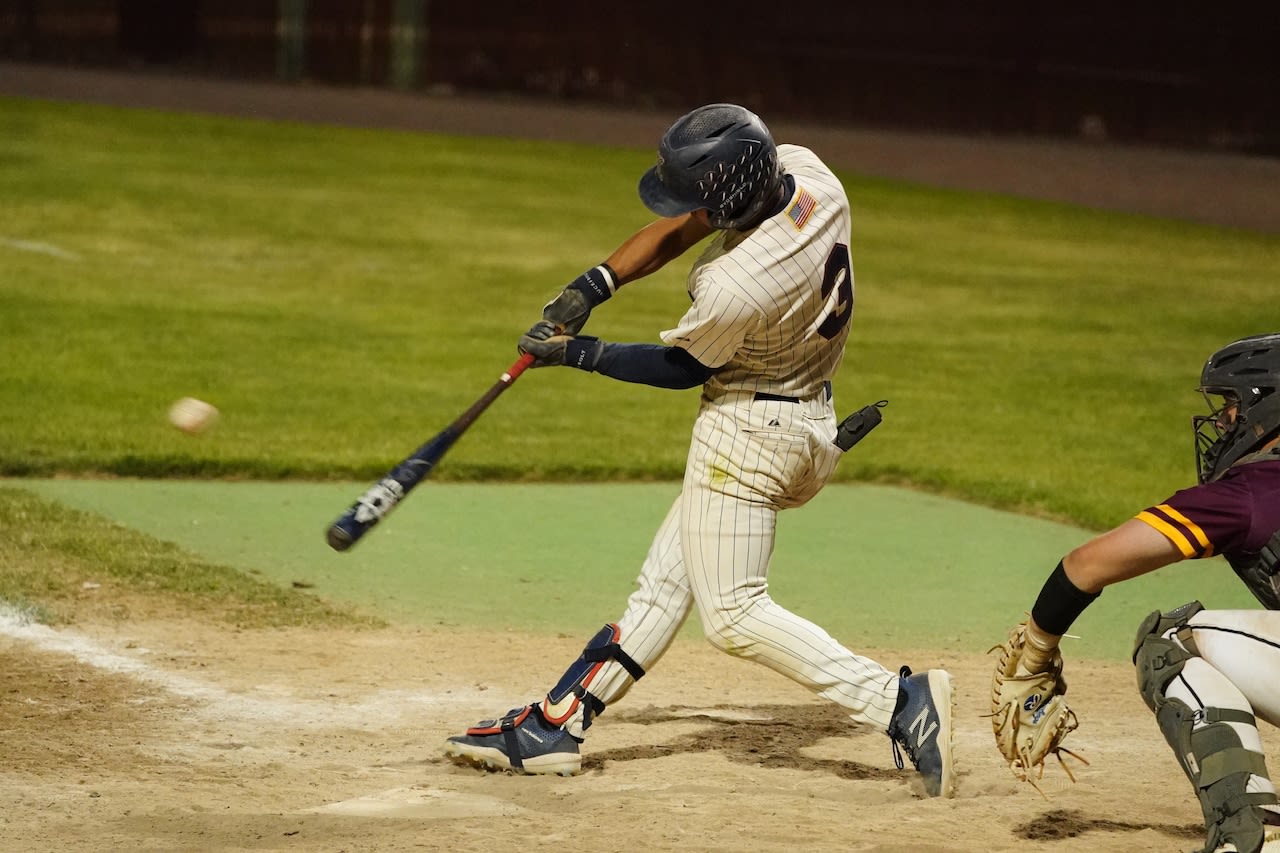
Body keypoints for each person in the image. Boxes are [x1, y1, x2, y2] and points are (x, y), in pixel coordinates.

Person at [441, 103, 956, 798]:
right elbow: (689, 224)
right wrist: (596, 284)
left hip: (747, 438)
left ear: (732, 199)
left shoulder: (735, 284)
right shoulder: (811, 178)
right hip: (809, 421)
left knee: (735, 613)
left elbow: (683, 368)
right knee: (662, 587)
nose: (688, 210)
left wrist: (578, 353)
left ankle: (900, 704)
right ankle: (557, 724)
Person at [994, 332, 1280, 853]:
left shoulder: (1251, 494)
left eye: (1232, 407)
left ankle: (1255, 834)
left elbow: (1087, 565)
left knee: (1171, 639)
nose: (1223, 423)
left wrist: (1036, 647)